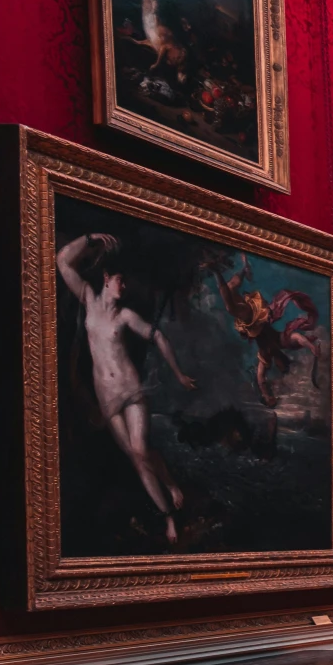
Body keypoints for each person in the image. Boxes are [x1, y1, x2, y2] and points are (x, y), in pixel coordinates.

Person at [56, 233, 197, 545]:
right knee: (136, 458)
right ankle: (169, 515)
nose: (125, 286)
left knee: (141, 450)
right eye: (120, 280)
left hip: (131, 391)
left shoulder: (127, 316)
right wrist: (90, 239)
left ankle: (171, 490)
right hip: (106, 399)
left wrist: (179, 373)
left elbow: (158, 336)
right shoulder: (89, 302)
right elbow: (63, 261)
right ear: (106, 278)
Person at [217, 256, 321, 406]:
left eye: (279, 366)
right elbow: (298, 337)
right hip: (255, 317)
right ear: (281, 361)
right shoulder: (281, 341)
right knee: (231, 297)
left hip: (252, 320)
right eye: (280, 365)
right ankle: (240, 270)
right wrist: (311, 347)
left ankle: (233, 271)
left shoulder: (265, 356)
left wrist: (267, 397)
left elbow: (260, 379)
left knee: (231, 297)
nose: (277, 365)